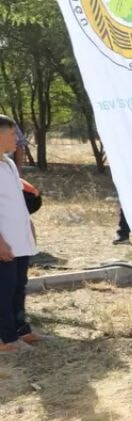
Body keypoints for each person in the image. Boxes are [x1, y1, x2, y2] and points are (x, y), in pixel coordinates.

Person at [0, 115, 38, 354]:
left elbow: (16, 199)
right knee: (4, 290)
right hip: (5, 241)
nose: (17, 138)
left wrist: (29, 224)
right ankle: (5, 339)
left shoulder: (9, 164)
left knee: (18, 286)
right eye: (13, 133)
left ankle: (21, 330)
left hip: (20, 238)